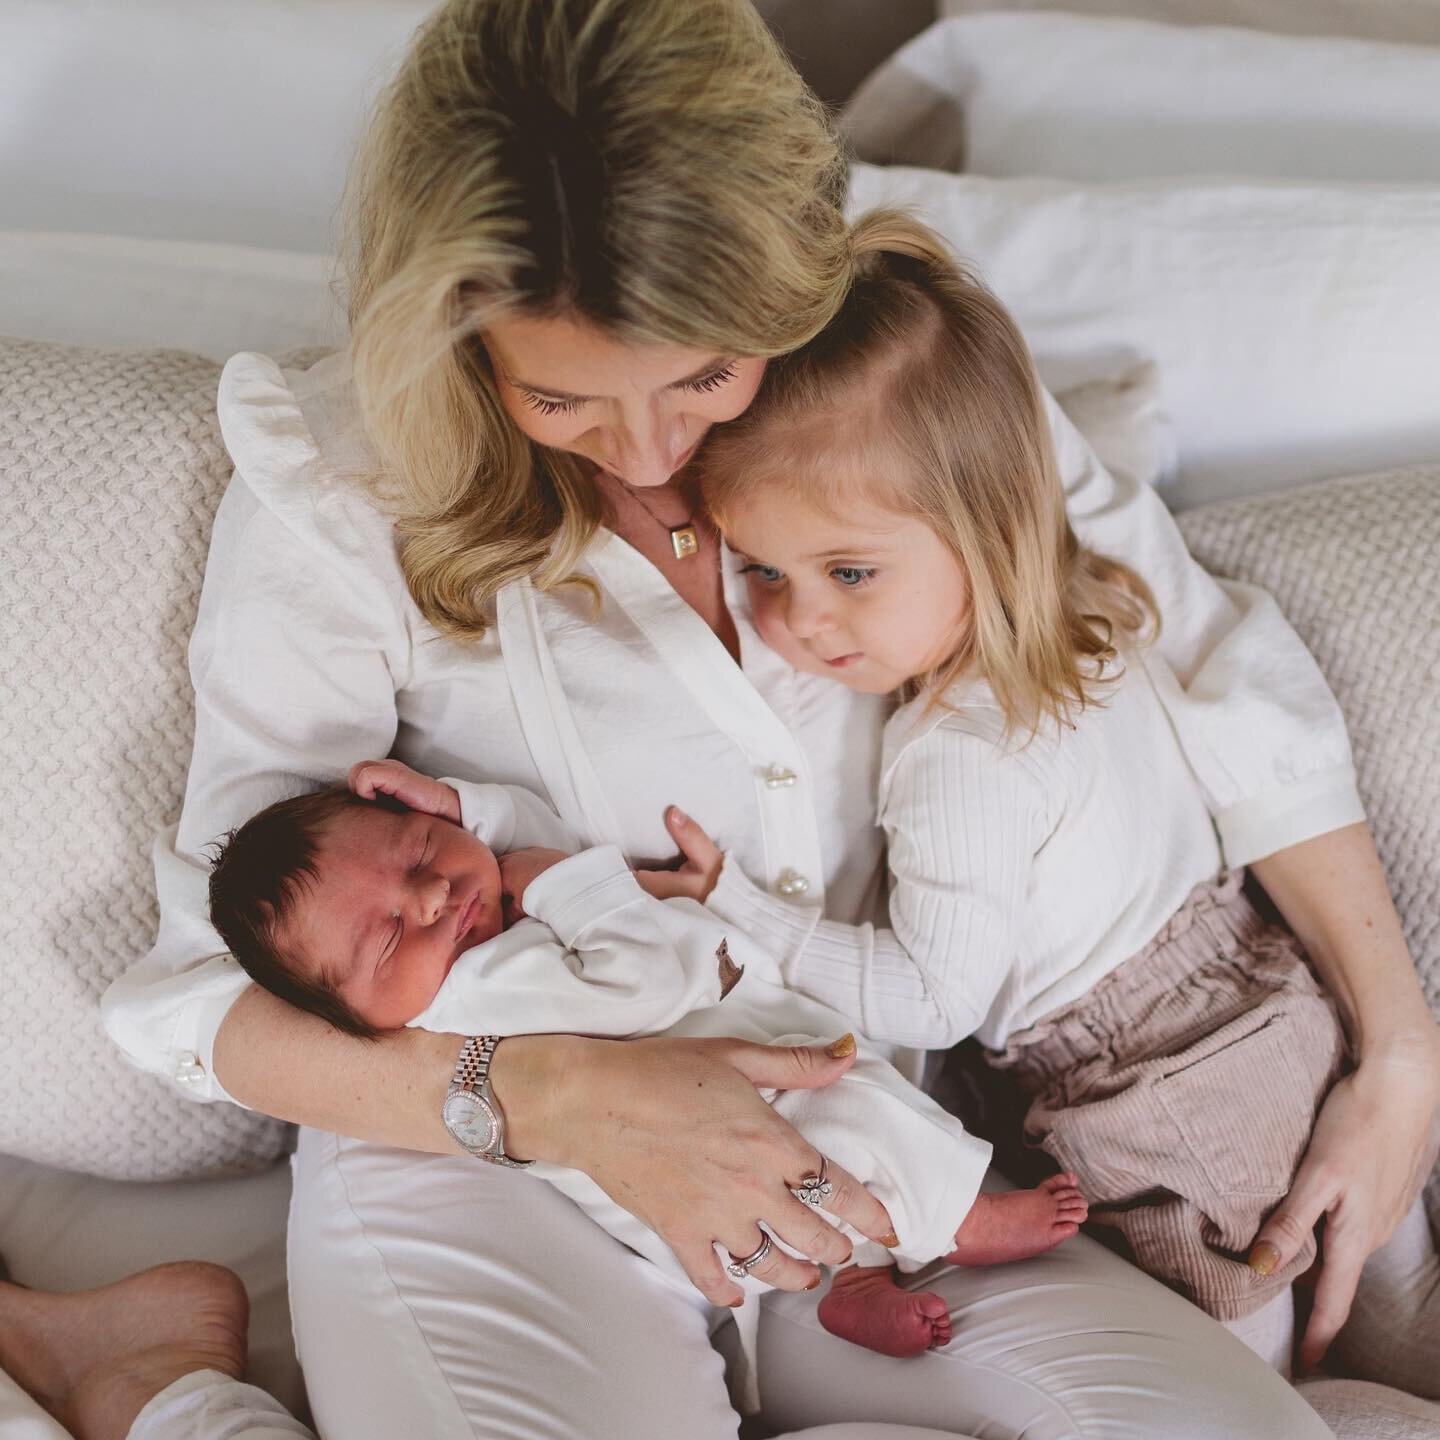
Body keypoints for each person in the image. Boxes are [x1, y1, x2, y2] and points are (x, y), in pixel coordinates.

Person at [98, 0, 1439, 1434]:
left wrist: (1399, 1044)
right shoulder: (343, 487)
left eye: (706, 375)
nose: (655, 450)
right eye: (562, 395)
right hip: (496, 1161)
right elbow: (200, 988)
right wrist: (552, 1096)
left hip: (880, 1166)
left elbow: (1195, 649)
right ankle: (152, 1385)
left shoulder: (895, 382)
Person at [686, 213, 1380, 1336]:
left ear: (987, 521)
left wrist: (739, 909)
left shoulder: (953, 759)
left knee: (1260, 1381)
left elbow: (936, 997)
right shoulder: (1101, 617)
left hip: (1159, 1110)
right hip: (1277, 1002)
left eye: (848, 570)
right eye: (760, 569)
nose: (799, 620)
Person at [206, 759, 1085, 1367]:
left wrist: (468, 810)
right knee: (859, 1116)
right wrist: (568, 885)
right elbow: (635, 984)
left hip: (731, 1135)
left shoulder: (476, 941)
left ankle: (856, 1285)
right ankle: (961, 1221)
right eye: (391, 932)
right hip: (723, 1116)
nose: (435, 896)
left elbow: (525, 844)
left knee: (846, 1136)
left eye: (421, 853)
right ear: (354, 1019)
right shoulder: (481, 990)